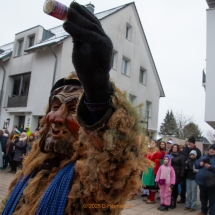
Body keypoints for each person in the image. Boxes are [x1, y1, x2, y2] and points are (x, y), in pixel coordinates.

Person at [0, 3, 149, 214]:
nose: (57, 117)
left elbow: (115, 160)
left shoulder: (91, 181)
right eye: (55, 106)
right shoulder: (34, 164)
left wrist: (97, 91)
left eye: (72, 109)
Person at [178, 136, 202, 204]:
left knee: (192, 188)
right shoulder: (185, 149)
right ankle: (183, 198)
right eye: (189, 142)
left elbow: (199, 161)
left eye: (191, 143)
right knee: (183, 186)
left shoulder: (197, 151)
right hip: (184, 170)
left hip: (192, 172)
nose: (189, 144)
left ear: (194, 143)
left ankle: (192, 201)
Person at [195, 144, 215, 215]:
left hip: (212, 183)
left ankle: (212, 212)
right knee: (203, 198)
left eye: (213, 150)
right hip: (202, 182)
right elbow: (196, 165)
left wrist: (210, 167)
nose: (211, 151)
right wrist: (200, 164)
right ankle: (203, 211)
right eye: (210, 149)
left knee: (212, 199)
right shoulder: (203, 157)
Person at [142, 140, 163, 204]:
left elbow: (157, 162)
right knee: (148, 184)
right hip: (147, 169)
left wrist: (155, 171)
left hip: (153, 169)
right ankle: (149, 197)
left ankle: (152, 199)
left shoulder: (157, 152)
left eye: (153, 143)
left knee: (152, 184)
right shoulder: (149, 151)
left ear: (156, 144)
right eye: (151, 143)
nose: (152, 144)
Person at [168, 143, 185, 209]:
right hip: (169, 174)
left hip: (176, 174)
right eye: (173, 147)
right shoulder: (170, 155)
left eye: (175, 147)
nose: (174, 148)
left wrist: (181, 175)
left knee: (174, 188)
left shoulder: (181, 156)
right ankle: (168, 200)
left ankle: (173, 201)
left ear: (177, 148)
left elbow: (183, 166)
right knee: (169, 188)